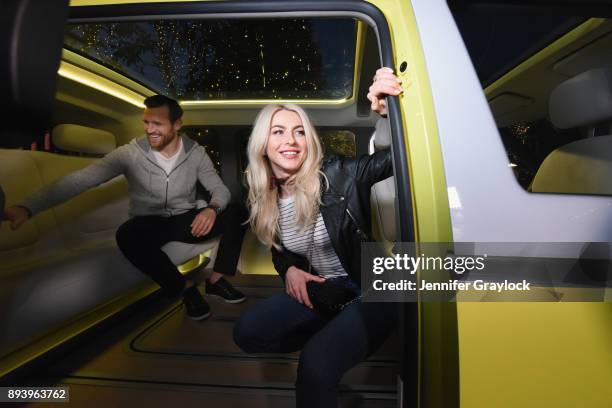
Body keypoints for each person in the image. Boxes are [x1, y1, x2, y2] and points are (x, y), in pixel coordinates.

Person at [233, 68, 403, 407]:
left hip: (374, 286)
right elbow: (281, 251)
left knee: (315, 363)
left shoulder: (340, 175)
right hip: (328, 290)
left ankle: (337, 338)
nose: (291, 141)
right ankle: (338, 328)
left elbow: (395, 159)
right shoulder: (262, 196)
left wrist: (388, 118)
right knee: (247, 334)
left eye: (299, 132)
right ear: (262, 144)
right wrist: (290, 271)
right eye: (278, 131)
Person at [2, 95, 248, 320]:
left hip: (186, 216)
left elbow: (220, 189)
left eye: (158, 124)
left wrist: (211, 209)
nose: (150, 129)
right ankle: (185, 289)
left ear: (177, 124)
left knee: (236, 211)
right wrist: (28, 207)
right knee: (127, 233)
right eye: (146, 122)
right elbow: (79, 181)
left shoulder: (196, 153)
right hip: (150, 221)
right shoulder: (129, 154)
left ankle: (215, 281)